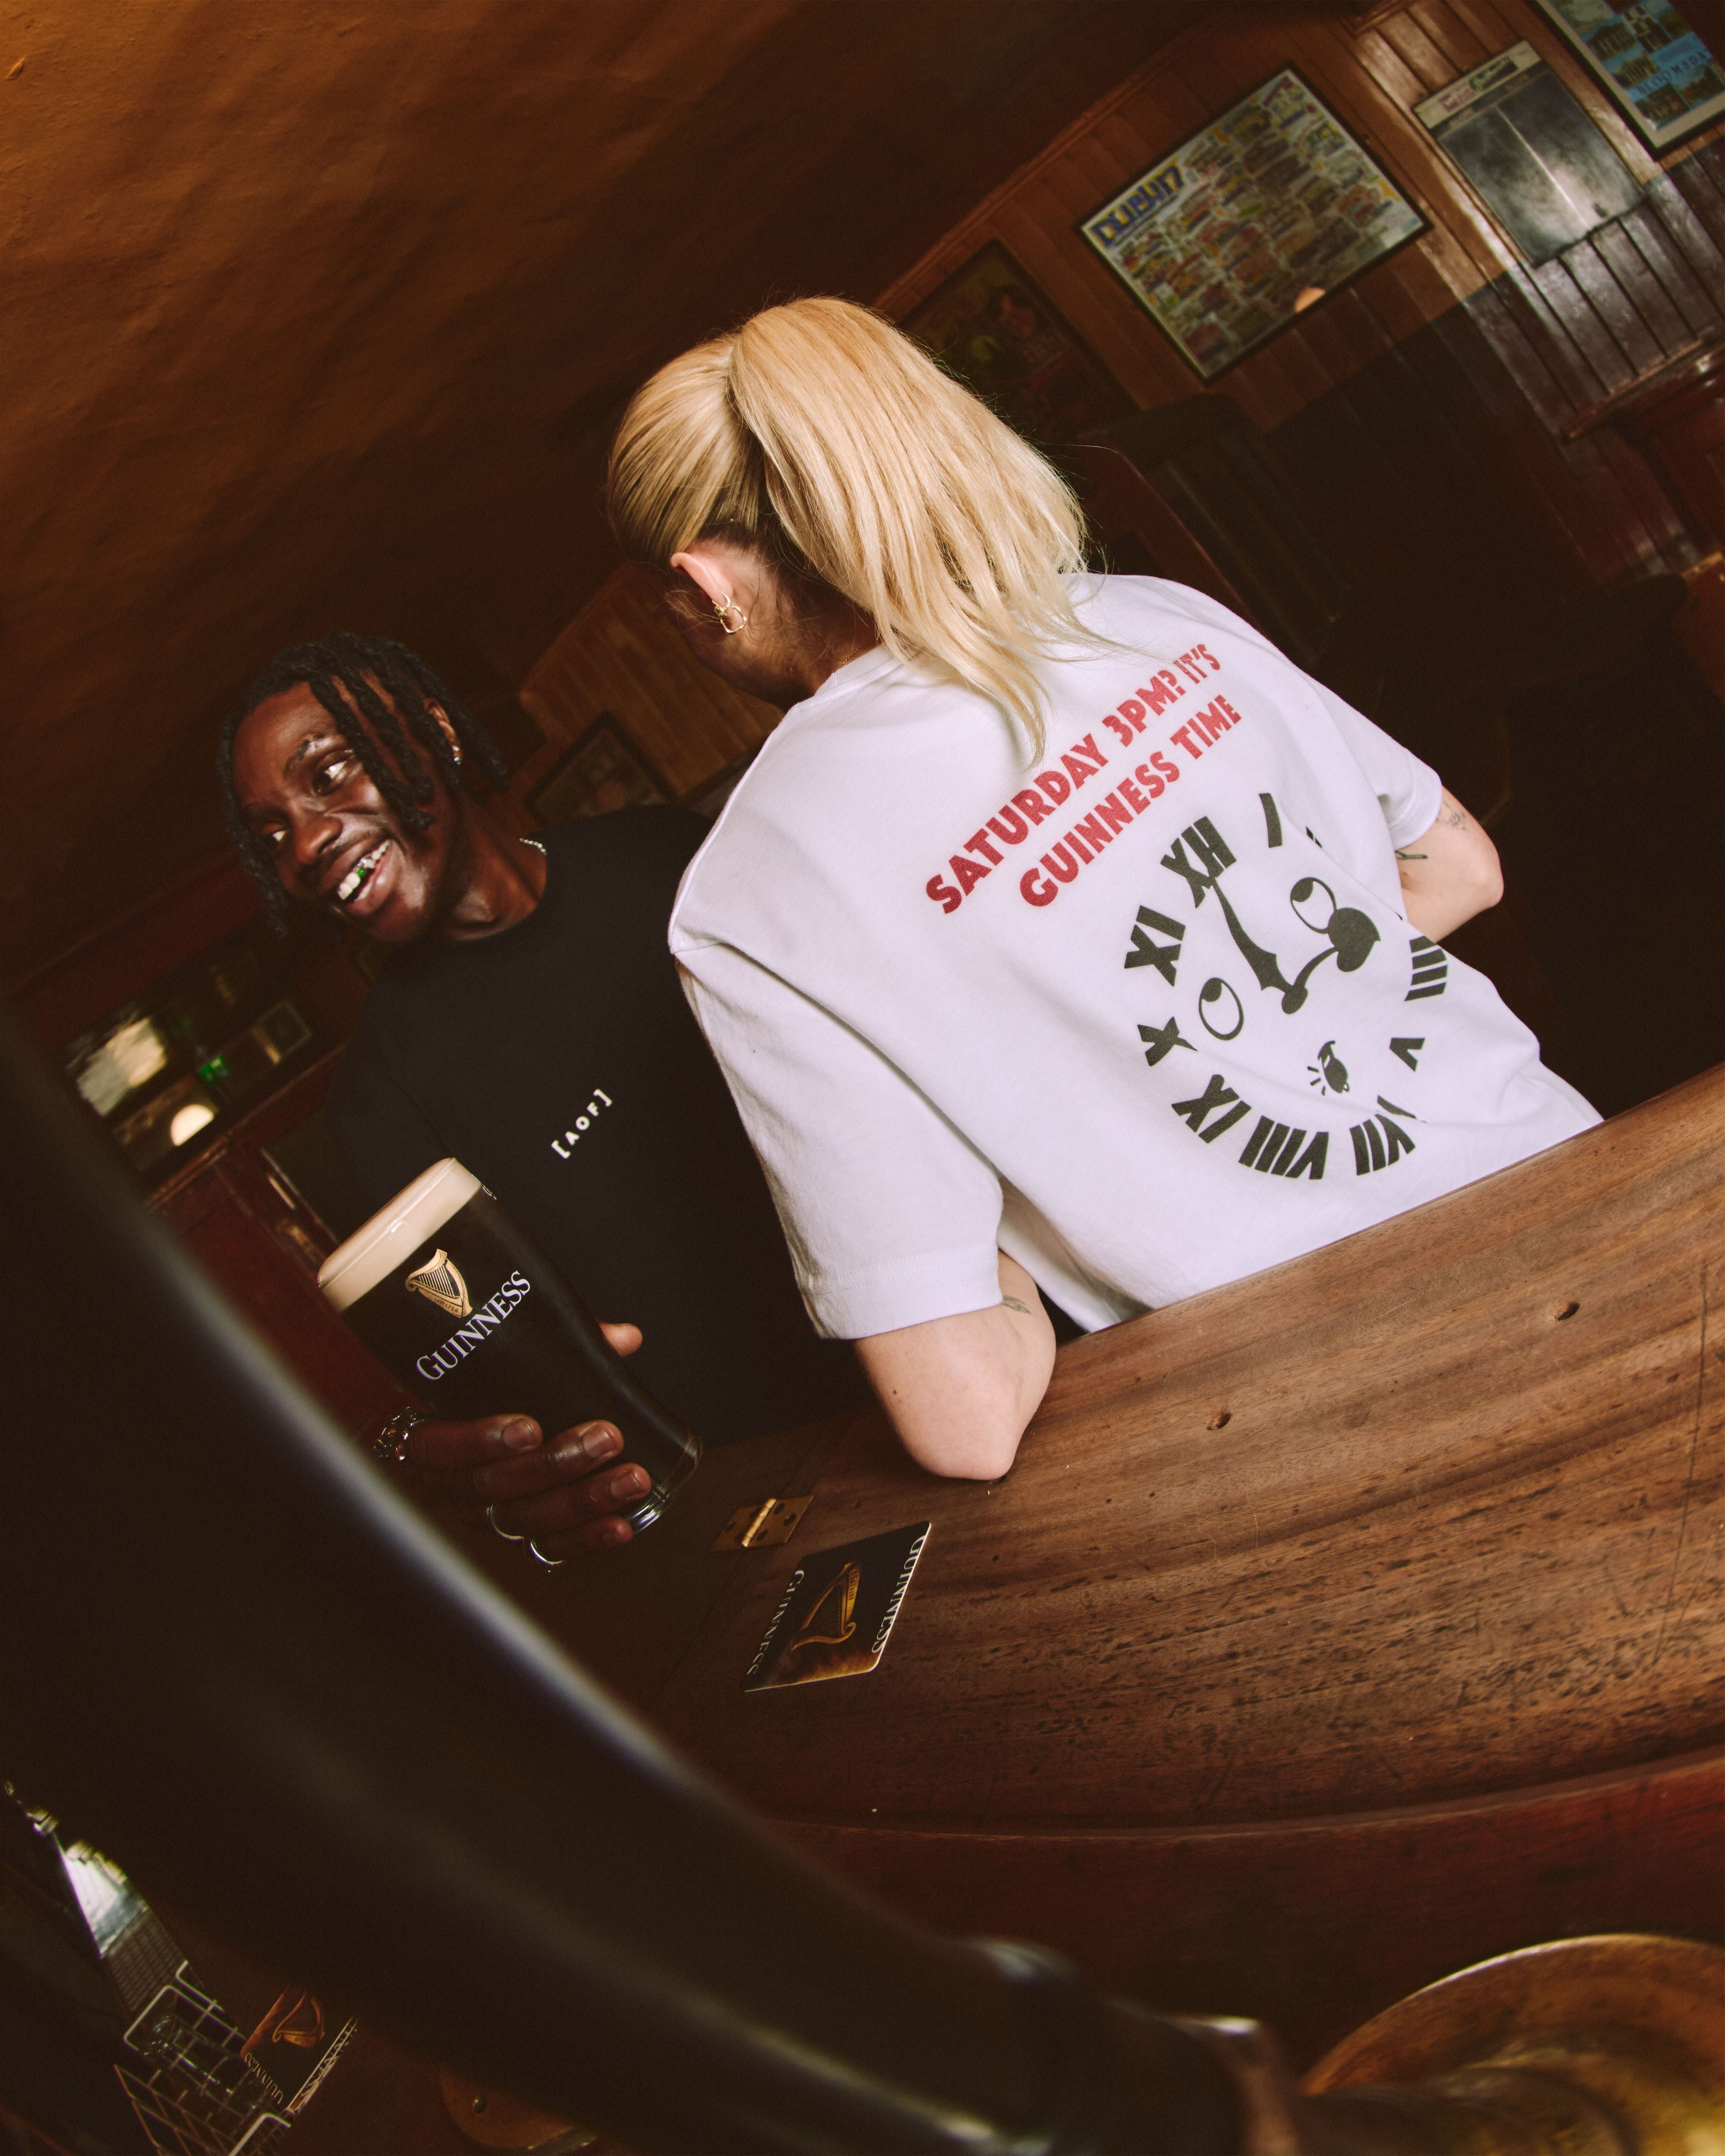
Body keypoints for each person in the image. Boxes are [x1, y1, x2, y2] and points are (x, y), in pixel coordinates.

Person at [604, 296, 1598, 1485]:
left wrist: (1056, 1138)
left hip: (1343, 1388)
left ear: (705, 581)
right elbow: (1457, 866)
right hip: (1581, 1188)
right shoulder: (1161, 619)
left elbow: (966, 1421)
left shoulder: (749, 893)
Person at [220, 632, 867, 1556]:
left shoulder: (657, 854)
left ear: (437, 733)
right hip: (758, 1500)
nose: (309, 843)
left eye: (326, 774)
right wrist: (453, 1455)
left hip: (951, 1341)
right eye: (274, 837)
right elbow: (489, 1381)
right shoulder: (378, 1105)